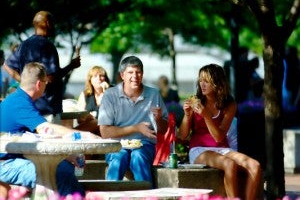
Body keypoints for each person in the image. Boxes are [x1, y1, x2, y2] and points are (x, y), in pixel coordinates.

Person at [0, 62, 100, 198]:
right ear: (39, 84)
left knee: (64, 168)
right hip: (6, 165)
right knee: (59, 172)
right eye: (46, 83)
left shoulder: (19, 100)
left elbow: (40, 139)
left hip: (15, 160)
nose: (46, 86)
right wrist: (85, 135)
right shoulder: (20, 103)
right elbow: (46, 129)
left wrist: (69, 156)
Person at [178, 64, 261, 200]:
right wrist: (187, 115)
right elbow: (182, 135)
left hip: (222, 148)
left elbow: (219, 137)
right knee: (229, 164)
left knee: (255, 166)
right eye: (200, 80)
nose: (202, 84)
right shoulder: (196, 102)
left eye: (206, 81)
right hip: (199, 150)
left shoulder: (229, 103)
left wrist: (205, 115)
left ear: (217, 82)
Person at [98, 56, 168, 184]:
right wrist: (136, 128)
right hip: (116, 144)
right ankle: (109, 196)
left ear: (142, 74)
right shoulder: (110, 95)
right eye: (130, 72)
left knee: (138, 157)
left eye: (138, 72)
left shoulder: (153, 94)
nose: (135, 76)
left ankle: (148, 198)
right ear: (122, 75)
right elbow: (105, 132)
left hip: (144, 145)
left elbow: (163, 130)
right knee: (119, 158)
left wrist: (158, 119)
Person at [3, 11, 81, 123]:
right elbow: (51, 78)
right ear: (47, 23)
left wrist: (25, 82)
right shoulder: (47, 46)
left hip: (29, 107)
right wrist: (71, 66)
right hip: (47, 109)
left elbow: (7, 66)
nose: (54, 26)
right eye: (53, 23)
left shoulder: (24, 44)